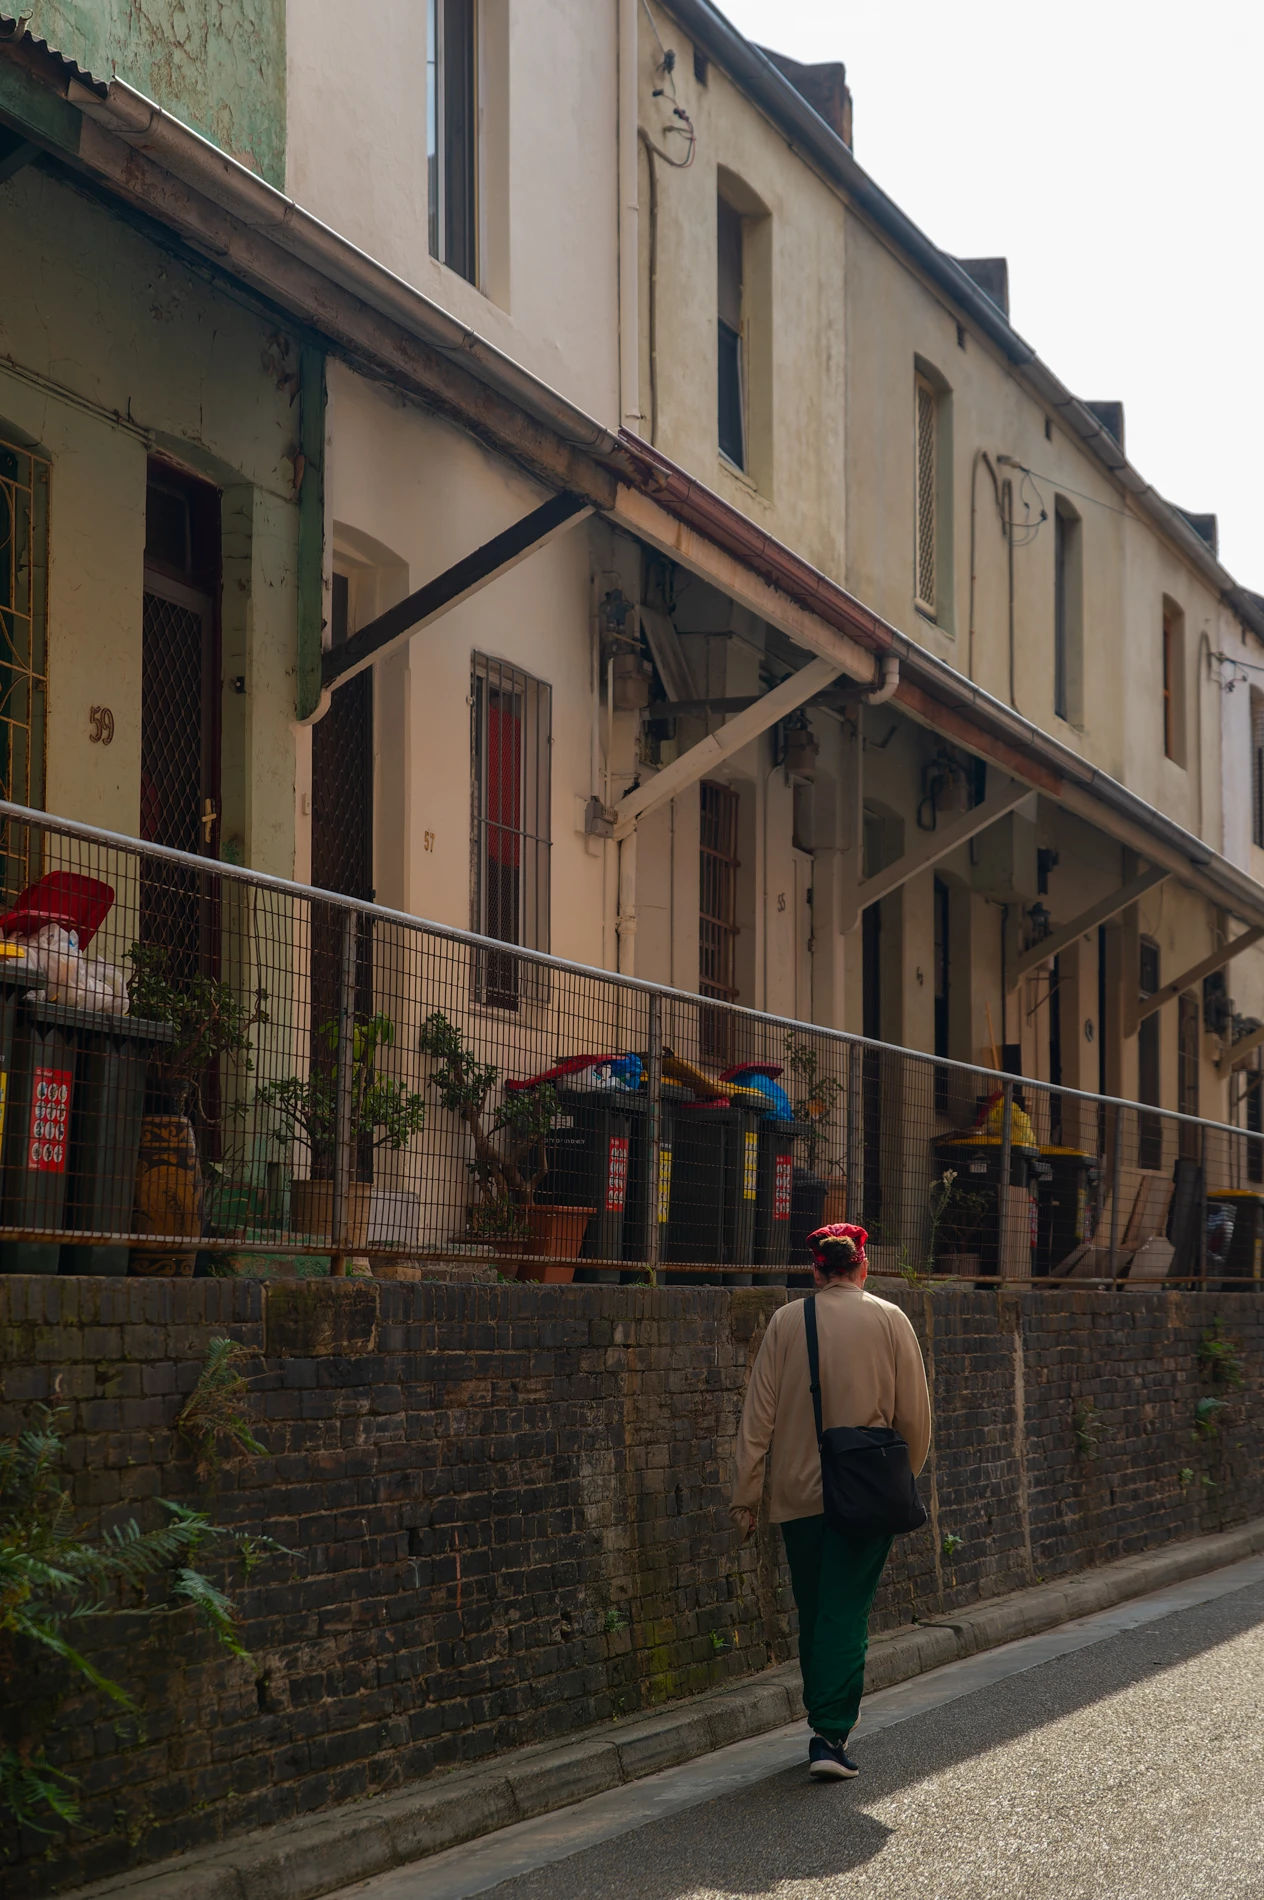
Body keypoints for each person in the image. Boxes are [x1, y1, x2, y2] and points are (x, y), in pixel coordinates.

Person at [731, 1222, 931, 1781]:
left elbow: (757, 1419)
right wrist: (899, 1482)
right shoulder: (891, 1320)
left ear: (815, 1270)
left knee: (817, 1610)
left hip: (797, 1495)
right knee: (846, 1611)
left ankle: (822, 1719)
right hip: (865, 1496)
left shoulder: (786, 1322)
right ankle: (829, 1734)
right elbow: (916, 1417)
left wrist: (745, 1496)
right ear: (863, 1267)